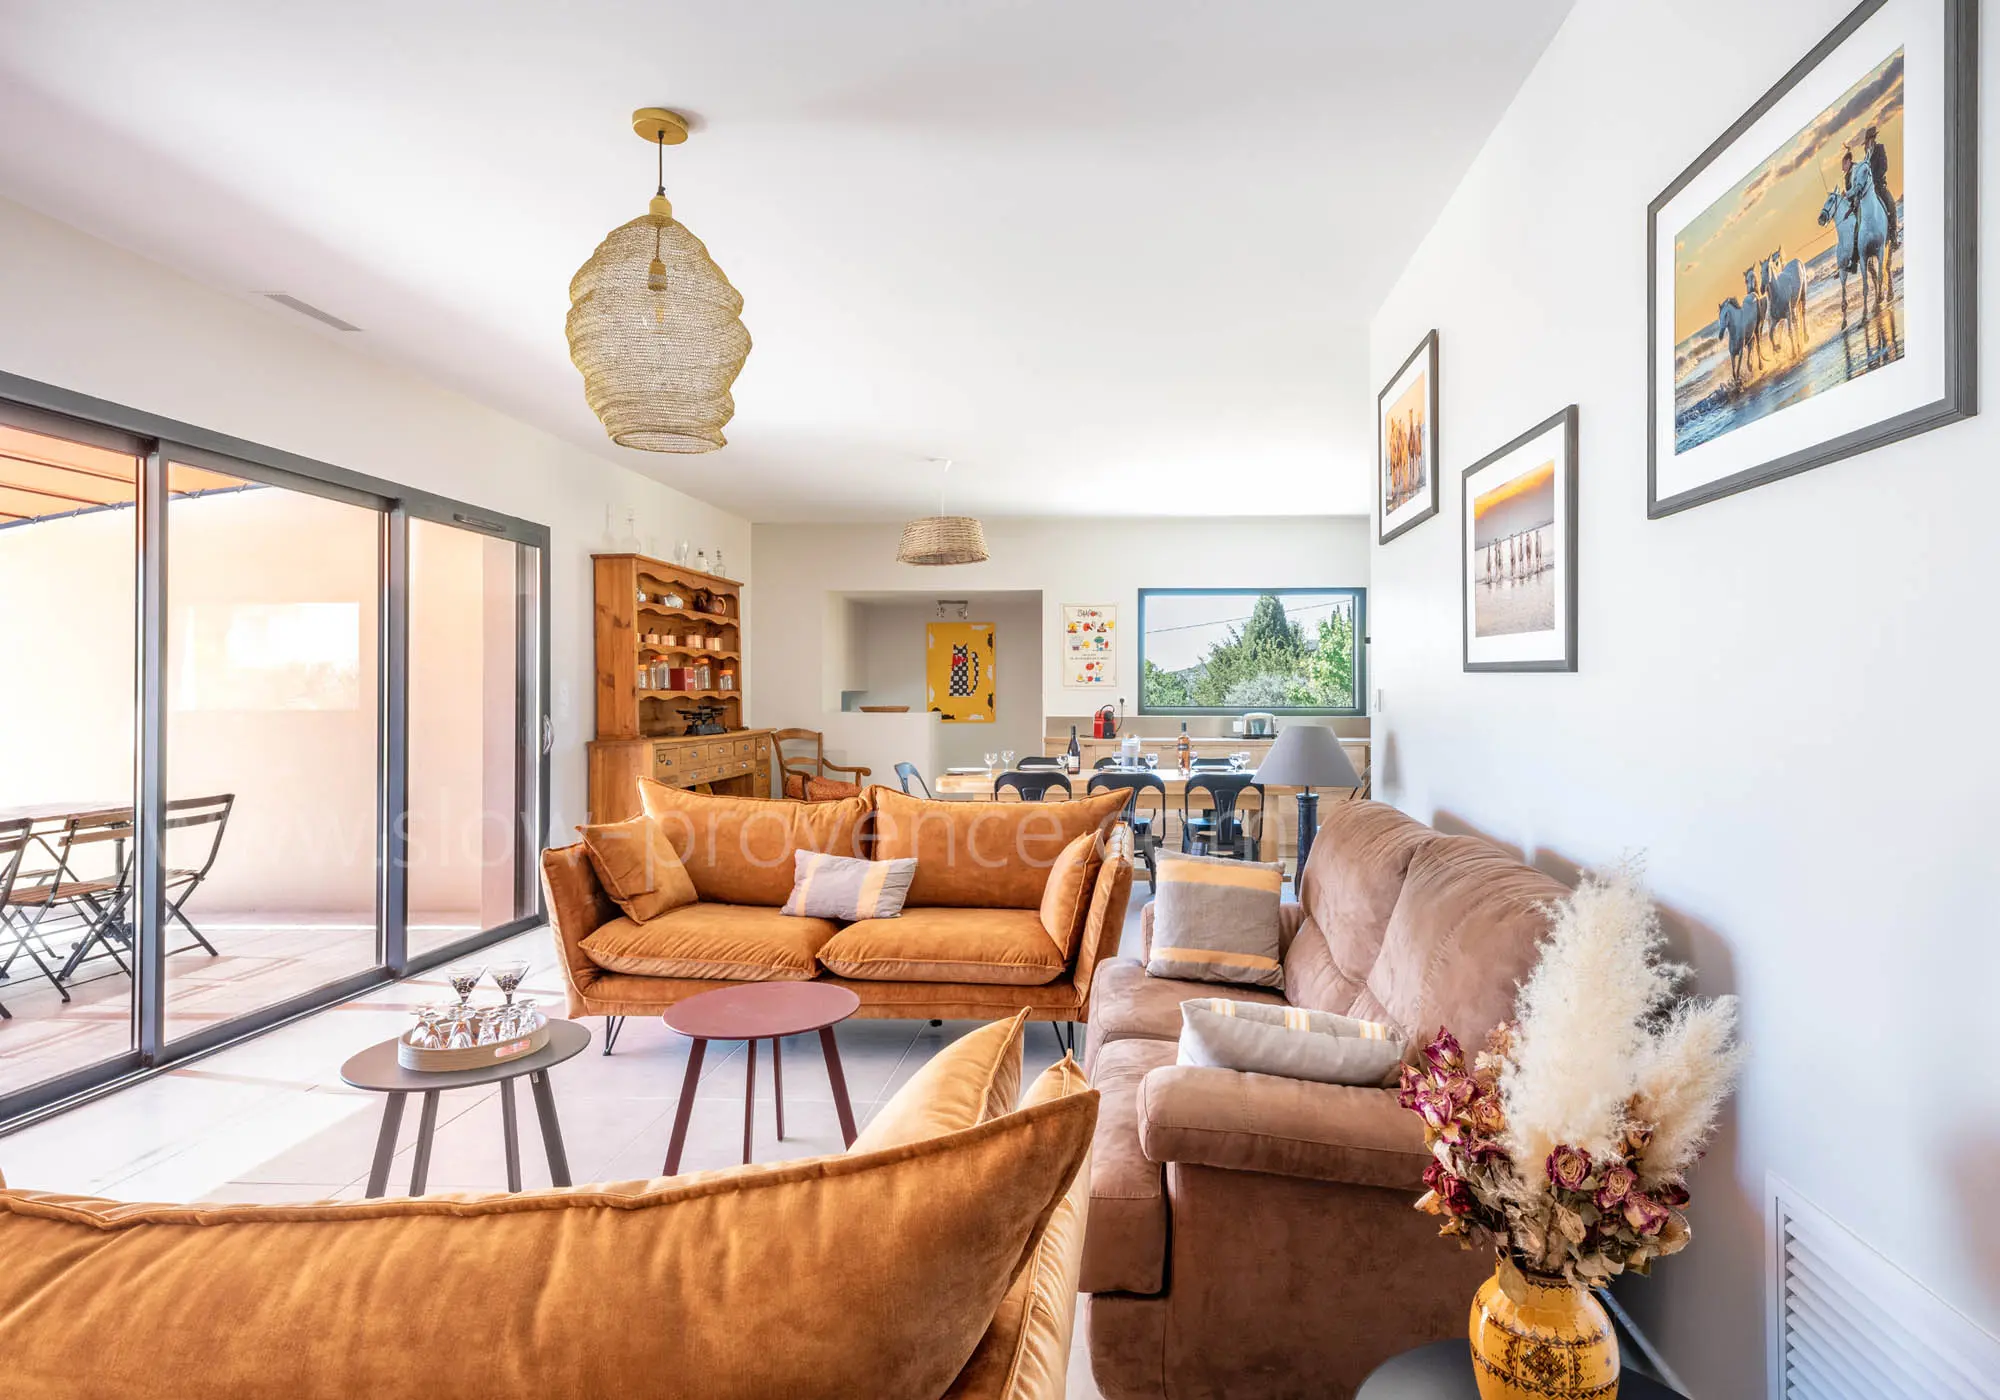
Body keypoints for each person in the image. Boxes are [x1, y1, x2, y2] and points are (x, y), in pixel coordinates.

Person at [1865, 125, 1899, 249]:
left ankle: (1894, 235)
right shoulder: (1866, 157)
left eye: (1870, 139)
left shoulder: (1880, 148)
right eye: (1867, 140)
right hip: (1870, 190)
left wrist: (1875, 179)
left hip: (1880, 185)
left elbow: (1884, 166)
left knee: (1891, 204)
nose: (1868, 143)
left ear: (1873, 138)